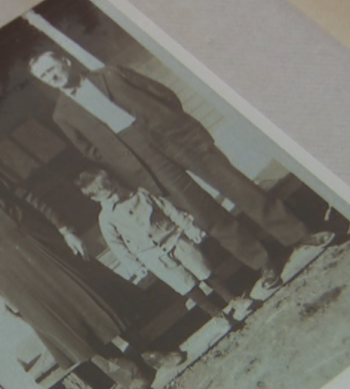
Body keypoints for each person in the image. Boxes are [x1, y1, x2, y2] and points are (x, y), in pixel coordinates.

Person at [29, 51, 332, 291]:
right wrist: (124, 159)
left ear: (65, 62)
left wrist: (172, 125)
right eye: (44, 76)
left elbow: (163, 94)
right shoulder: (63, 115)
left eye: (51, 68)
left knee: (238, 186)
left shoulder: (111, 73)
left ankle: (297, 234)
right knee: (203, 213)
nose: (51, 76)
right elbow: (90, 151)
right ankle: (263, 261)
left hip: (175, 137)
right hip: (142, 160)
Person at [0, 157, 182, 379]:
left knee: (91, 300)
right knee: (64, 325)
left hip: (43, 250)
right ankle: (130, 374)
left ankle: (152, 353)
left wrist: (65, 230)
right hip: (7, 278)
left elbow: (30, 200)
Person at [76, 168, 242, 328]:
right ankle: (217, 315)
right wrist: (135, 266)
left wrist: (189, 227)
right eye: (108, 197)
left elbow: (168, 209)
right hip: (153, 257)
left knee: (204, 270)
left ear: (115, 182)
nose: (115, 197)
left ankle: (232, 298)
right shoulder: (106, 219)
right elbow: (117, 246)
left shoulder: (140, 195)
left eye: (114, 190)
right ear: (96, 199)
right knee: (186, 285)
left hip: (174, 239)